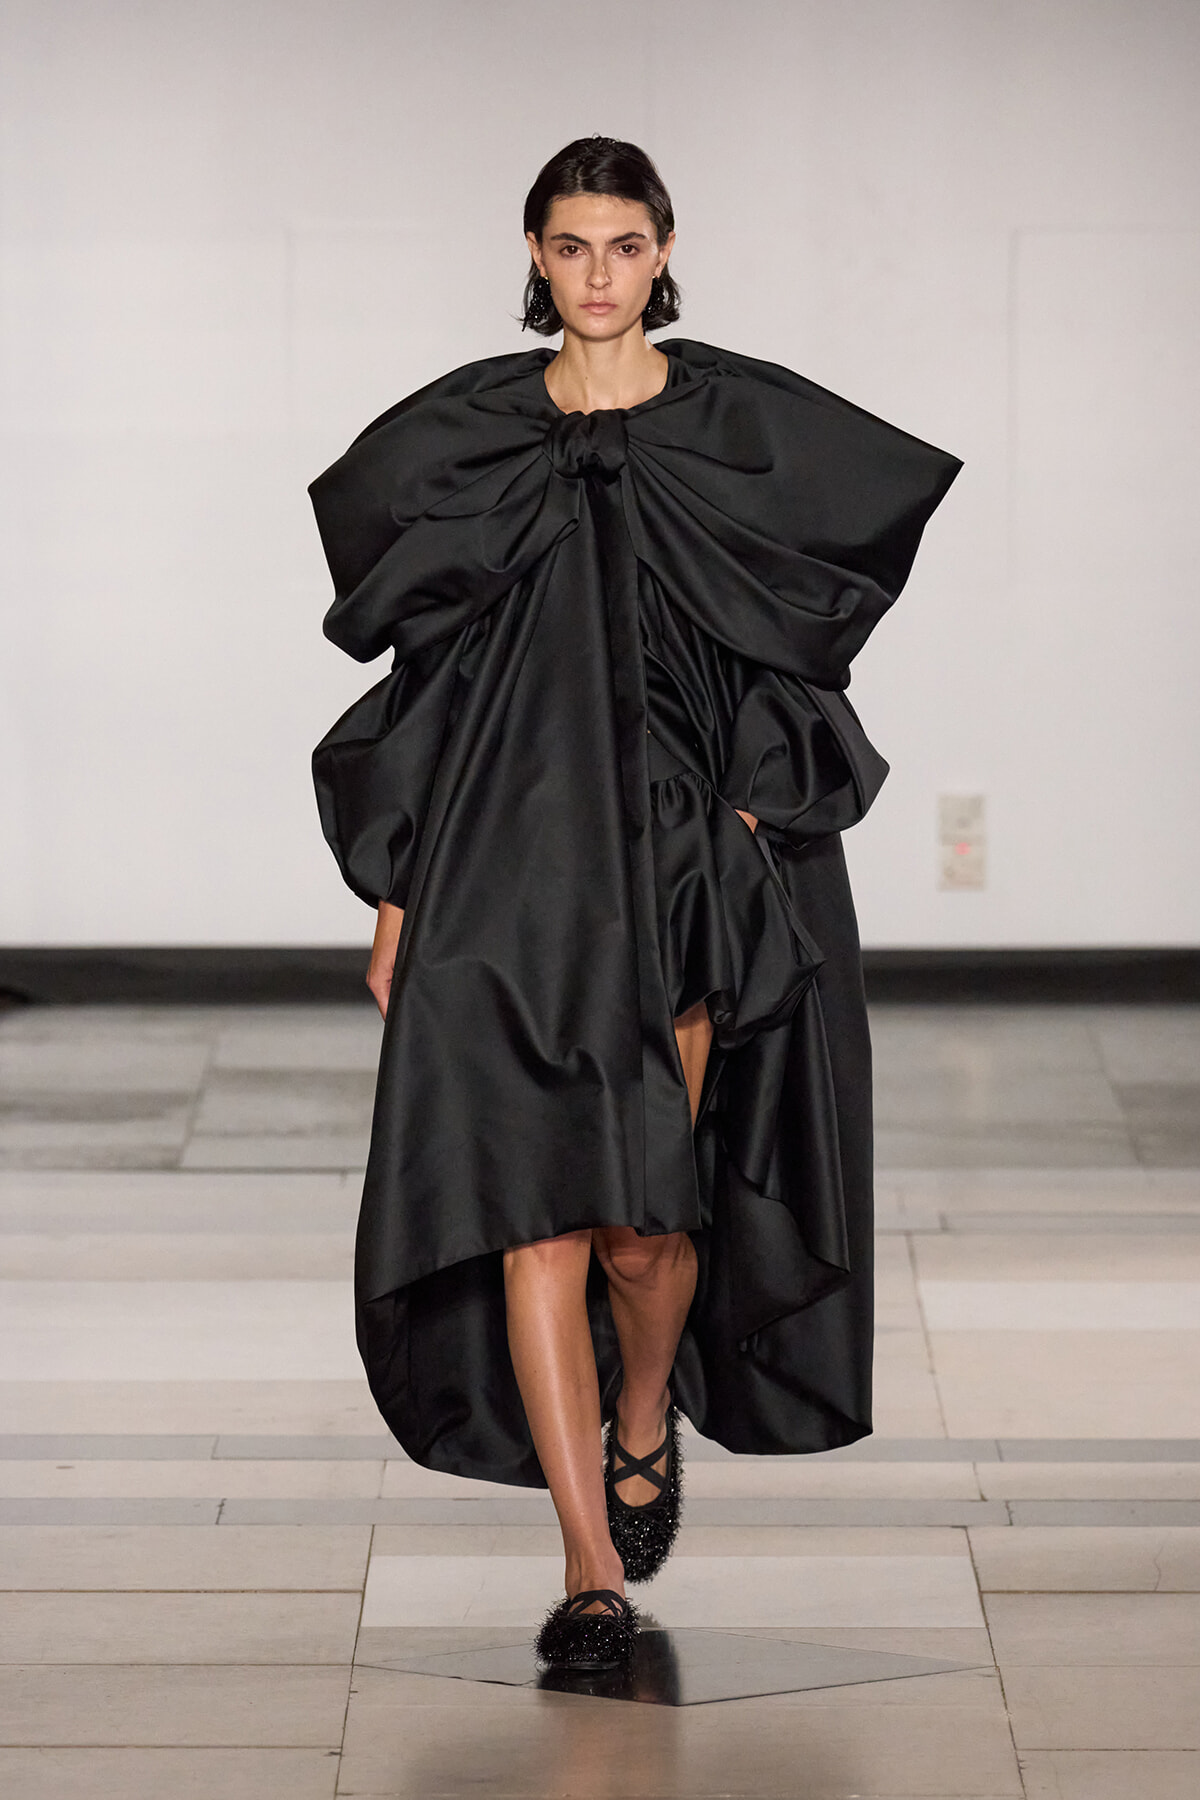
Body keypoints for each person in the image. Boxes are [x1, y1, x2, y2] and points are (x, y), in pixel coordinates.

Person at [309, 135, 960, 1672]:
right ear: (531, 257)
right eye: (569, 245)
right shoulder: (465, 440)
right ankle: (589, 1561)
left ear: (666, 251)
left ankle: (644, 1400)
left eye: (623, 245)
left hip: (669, 868)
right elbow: (429, 674)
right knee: (533, 1217)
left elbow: (800, 637)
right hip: (499, 871)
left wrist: (748, 811)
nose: (598, 273)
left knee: (637, 1229)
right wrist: (398, 895)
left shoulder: (738, 430)